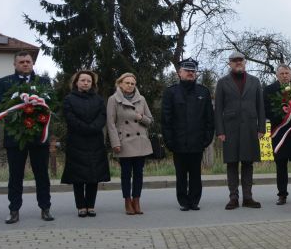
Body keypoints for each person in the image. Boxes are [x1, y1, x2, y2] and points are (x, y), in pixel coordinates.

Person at [0, 50, 54, 223]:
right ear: (15, 64)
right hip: (15, 137)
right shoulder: (4, 82)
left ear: (33, 63)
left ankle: (45, 208)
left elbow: (51, 105)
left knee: (42, 175)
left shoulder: (43, 81)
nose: (25, 64)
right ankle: (14, 210)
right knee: (15, 176)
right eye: (21, 62)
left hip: (38, 136)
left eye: (28, 61)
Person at [214, 51, 265, 210]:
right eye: (234, 60)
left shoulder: (255, 81)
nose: (238, 63)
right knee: (232, 163)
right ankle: (233, 198)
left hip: (250, 128)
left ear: (245, 62)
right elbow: (218, 109)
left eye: (240, 60)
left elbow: (260, 106)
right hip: (230, 129)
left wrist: (261, 128)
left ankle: (248, 197)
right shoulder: (222, 82)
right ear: (229, 63)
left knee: (248, 163)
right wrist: (220, 130)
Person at [161, 59, 215, 211]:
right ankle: (184, 202)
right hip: (178, 142)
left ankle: (194, 201)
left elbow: (209, 118)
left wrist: (207, 139)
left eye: (193, 71)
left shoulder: (203, 92)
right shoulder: (171, 92)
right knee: (181, 175)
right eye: (187, 71)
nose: (190, 73)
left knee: (196, 174)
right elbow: (166, 119)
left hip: (197, 141)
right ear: (180, 73)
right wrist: (169, 141)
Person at [61, 70, 110, 217]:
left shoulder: (98, 99)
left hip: (95, 142)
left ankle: (91, 205)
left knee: (93, 175)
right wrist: (85, 128)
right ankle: (81, 206)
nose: (86, 83)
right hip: (76, 141)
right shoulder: (69, 99)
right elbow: (70, 117)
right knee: (78, 176)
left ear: (92, 84)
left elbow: (102, 116)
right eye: (82, 80)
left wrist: (92, 127)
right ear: (76, 82)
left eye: (89, 81)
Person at [107, 72, 154, 214]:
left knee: (139, 173)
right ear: (120, 83)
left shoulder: (141, 99)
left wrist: (141, 118)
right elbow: (111, 123)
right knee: (126, 174)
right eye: (127, 83)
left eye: (133, 83)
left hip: (140, 141)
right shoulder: (113, 100)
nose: (130, 85)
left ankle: (137, 201)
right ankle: (127, 201)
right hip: (124, 142)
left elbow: (150, 120)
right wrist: (115, 143)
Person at [264, 64, 291, 205]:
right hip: (279, 132)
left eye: (287, 73)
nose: (285, 76)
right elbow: (266, 109)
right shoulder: (269, 90)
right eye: (282, 73)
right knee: (281, 165)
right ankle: (282, 194)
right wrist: (282, 116)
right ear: (277, 75)